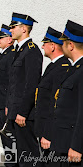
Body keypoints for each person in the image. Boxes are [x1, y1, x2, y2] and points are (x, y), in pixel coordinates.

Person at [7, 12, 43, 166]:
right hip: (16, 110)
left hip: (24, 114)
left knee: (29, 154)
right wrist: (10, 106)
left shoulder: (32, 51)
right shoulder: (20, 50)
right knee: (21, 153)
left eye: (13, 27)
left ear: (24, 29)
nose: (11, 30)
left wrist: (22, 111)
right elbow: (15, 83)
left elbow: (30, 85)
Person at [34, 27, 70, 165]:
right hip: (44, 129)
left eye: (45, 43)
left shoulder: (61, 68)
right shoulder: (53, 66)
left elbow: (54, 105)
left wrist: (47, 134)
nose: (42, 46)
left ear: (53, 46)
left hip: (51, 133)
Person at [51, 20, 83, 166]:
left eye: (63, 42)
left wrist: (77, 146)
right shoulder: (74, 69)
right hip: (64, 142)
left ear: (70, 45)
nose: (61, 45)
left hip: (73, 147)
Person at [0, 24, 15, 166]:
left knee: (8, 136)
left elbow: (11, 82)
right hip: (0, 102)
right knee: (5, 136)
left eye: (1, 38)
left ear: (9, 39)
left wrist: (8, 104)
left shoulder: (11, 55)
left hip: (4, 104)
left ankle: (11, 163)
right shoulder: (5, 53)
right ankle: (9, 161)